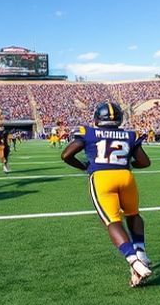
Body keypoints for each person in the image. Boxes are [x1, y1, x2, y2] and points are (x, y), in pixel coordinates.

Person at [61, 102, 152, 288]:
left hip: (102, 178)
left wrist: (85, 166)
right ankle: (141, 253)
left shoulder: (88, 132)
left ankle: (134, 261)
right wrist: (127, 165)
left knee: (112, 221)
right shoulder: (130, 135)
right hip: (126, 177)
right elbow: (144, 162)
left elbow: (66, 155)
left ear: (97, 118)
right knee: (133, 214)